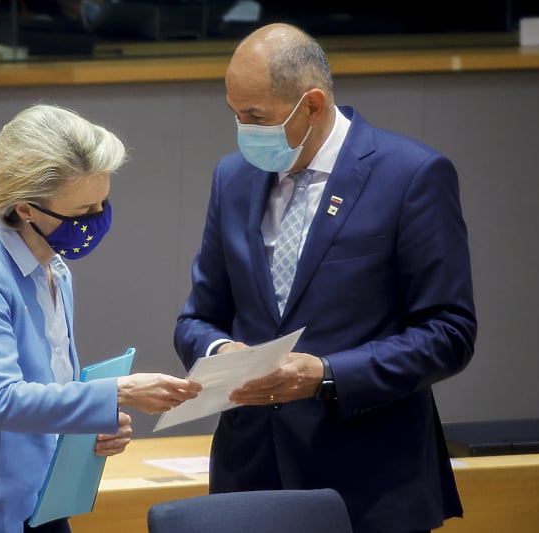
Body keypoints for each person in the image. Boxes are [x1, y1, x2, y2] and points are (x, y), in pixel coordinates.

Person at [173, 23, 476, 533]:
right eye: (235, 114)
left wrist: (325, 373)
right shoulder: (233, 178)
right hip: (251, 479)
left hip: (369, 485)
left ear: (312, 105)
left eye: (256, 116)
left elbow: (449, 333)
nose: (243, 129)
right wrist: (223, 353)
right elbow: (197, 318)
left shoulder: (411, 175)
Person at [0, 103, 201, 533]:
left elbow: (50, 392)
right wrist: (117, 392)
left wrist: (91, 426)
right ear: (25, 209)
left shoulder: (56, 270)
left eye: (102, 203)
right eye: (81, 213)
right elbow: (5, 400)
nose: (96, 221)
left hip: (36, 501)